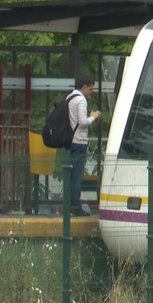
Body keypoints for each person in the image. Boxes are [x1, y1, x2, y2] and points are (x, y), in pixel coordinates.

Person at [68, 75, 102, 215]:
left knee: (71, 173)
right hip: (80, 141)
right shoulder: (81, 99)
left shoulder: (70, 97)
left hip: (70, 140)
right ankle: (75, 206)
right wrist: (93, 117)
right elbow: (82, 122)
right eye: (90, 88)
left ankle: (70, 204)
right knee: (77, 174)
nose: (91, 91)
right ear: (84, 87)